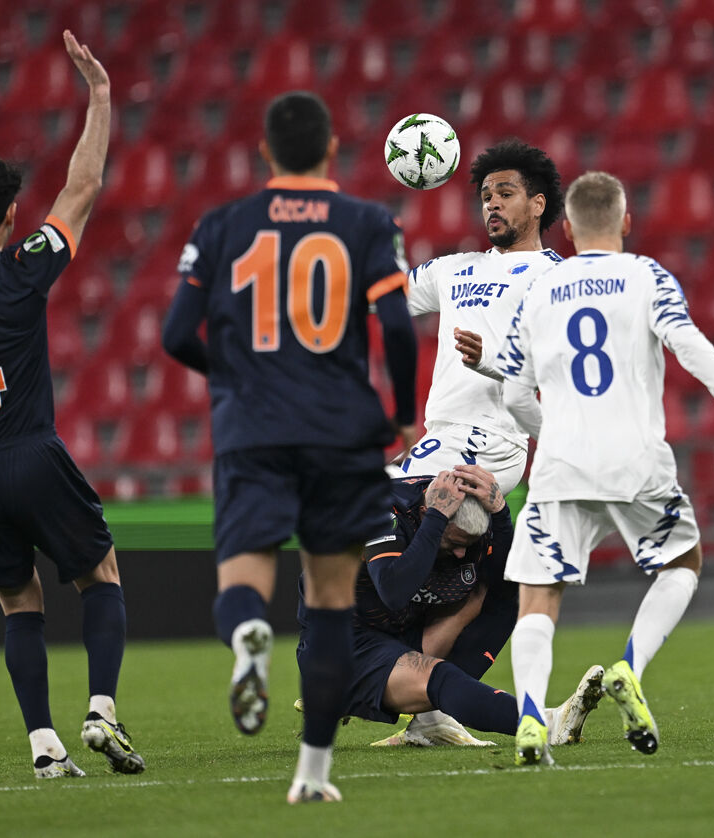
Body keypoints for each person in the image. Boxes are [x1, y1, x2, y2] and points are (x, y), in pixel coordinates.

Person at [161, 91, 419, 804]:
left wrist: (236, 377)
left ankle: (248, 633)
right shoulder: (368, 221)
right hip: (341, 430)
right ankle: (312, 774)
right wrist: (400, 413)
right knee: (334, 600)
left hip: (255, 429)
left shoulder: (221, 226)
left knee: (243, 579)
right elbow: (396, 326)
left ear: (267, 152)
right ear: (333, 148)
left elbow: (176, 334)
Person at [0, 32, 143, 781]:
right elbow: (82, 187)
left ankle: (43, 743)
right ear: (12, 212)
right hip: (31, 453)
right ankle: (101, 708)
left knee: (20, 606)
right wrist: (100, 97)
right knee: (100, 574)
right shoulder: (21, 269)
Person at [497, 171, 714, 766]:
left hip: (562, 466)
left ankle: (529, 717)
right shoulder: (648, 276)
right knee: (682, 563)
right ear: (626, 223)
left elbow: (514, 397)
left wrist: (555, 436)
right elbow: (689, 343)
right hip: (637, 462)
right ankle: (631, 664)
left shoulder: (539, 289)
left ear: (566, 230)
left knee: (538, 597)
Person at [296, 466, 605, 748]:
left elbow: (507, 583)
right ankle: (546, 725)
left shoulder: (464, 511)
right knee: (438, 677)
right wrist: (436, 520)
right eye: (453, 542)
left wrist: (500, 516)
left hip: (406, 626)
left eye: (468, 543)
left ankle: (432, 717)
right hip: (347, 641)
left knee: (500, 594)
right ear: (427, 513)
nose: (460, 553)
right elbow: (393, 590)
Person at [392, 140, 565, 496]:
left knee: (368, 504)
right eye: (486, 196)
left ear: (537, 204)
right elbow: (380, 298)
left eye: (505, 193)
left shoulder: (555, 278)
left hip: (492, 437)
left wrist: (489, 361)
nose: (492, 203)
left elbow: (554, 368)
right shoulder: (454, 268)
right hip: (440, 435)